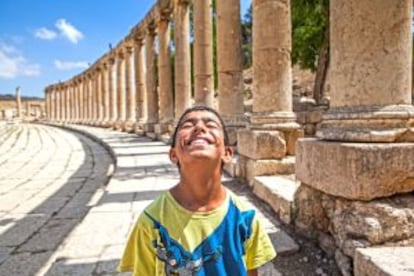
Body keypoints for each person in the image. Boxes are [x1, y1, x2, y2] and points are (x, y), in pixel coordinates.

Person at [118, 105, 276, 275]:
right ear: (173, 154)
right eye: (187, 125)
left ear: (227, 153)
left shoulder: (245, 218)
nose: (200, 128)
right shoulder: (150, 221)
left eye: (211, 125)